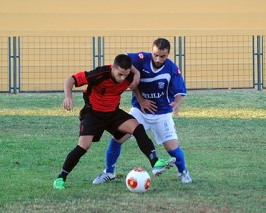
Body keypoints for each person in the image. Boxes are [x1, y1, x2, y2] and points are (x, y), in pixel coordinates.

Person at [53, 54, 176, 190]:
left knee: (137, 128)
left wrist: (136, 79)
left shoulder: (129, 75)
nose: (122, 78)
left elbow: (133, 83)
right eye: (119, 74)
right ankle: (60, 178)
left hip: (113, 113)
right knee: (83, 146)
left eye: (126, 75)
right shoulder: (100, 74)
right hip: (93, 113)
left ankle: (155, 162)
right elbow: (70, 80)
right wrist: (68, 97)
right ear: (113, 68)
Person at [92, 39, 192, 185]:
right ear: (151, 51)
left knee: (172, 148)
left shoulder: (172, 69)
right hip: (139, 112)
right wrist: (137, 75)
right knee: (117, 138)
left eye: (162, 56)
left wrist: (176, 103)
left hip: (162, 113)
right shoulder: (141, 59)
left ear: (168, 54)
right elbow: (123, 58)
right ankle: (109, 172)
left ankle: (183, 173)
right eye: (156, 55)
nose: (158, 59)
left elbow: (179, 92)